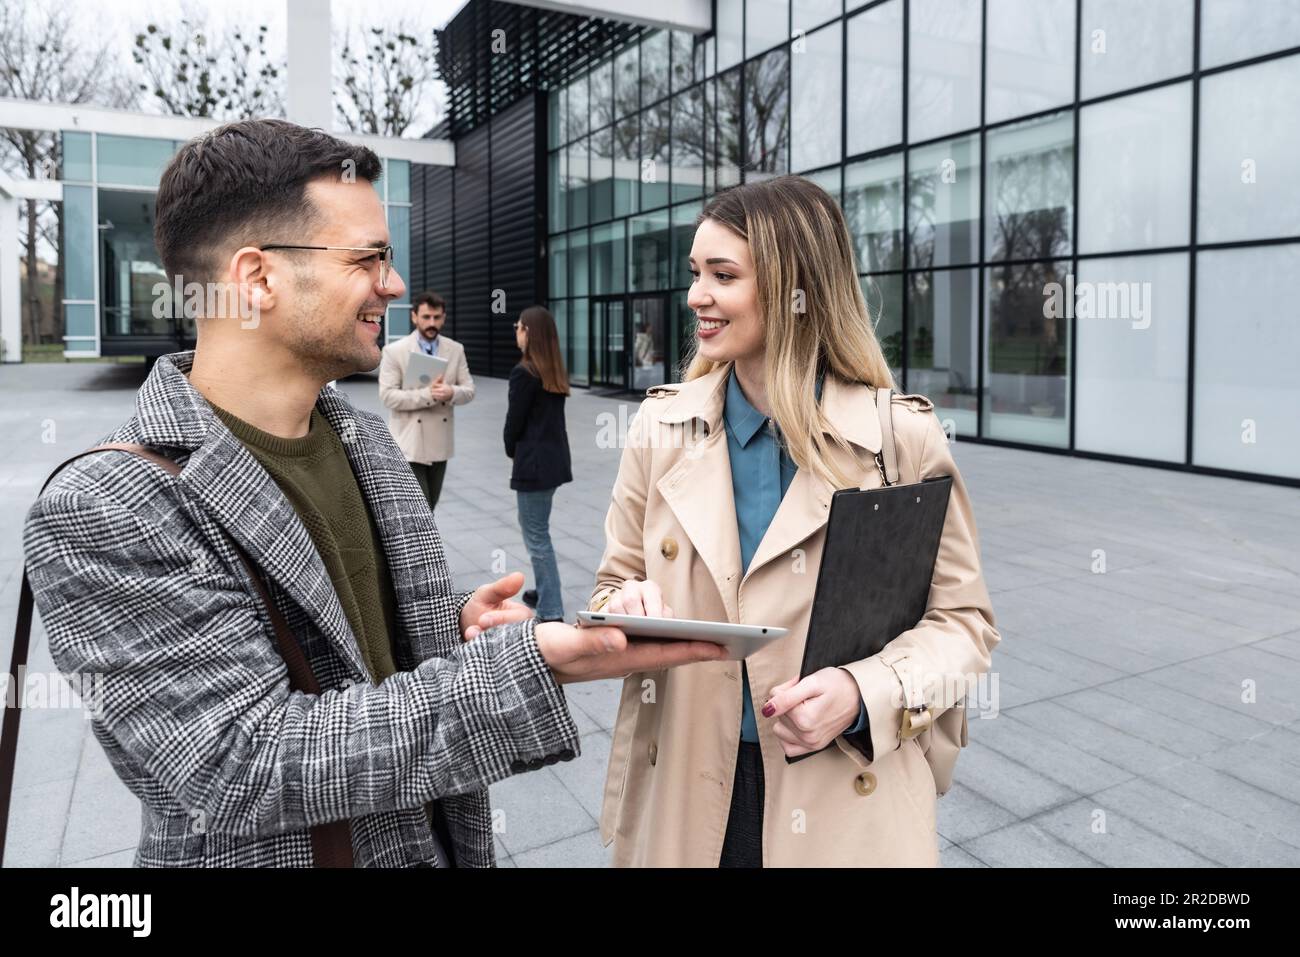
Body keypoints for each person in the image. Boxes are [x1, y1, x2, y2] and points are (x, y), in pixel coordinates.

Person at [20, 119, 724, 868]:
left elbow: (341, 652)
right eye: (369, 258)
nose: (393, 284)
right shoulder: (106, 504)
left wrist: (446, 631)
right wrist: (529, 665)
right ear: (257, 278)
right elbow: (242, 762)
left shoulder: (360, 438)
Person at [588, 175, 1001, 867]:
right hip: (688, 792)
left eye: (723, 275)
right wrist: (624, 606)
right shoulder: (661, 426)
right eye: (696, 273)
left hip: (843, 796)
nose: (695, 296)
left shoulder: (900, 439)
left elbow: (964, 624)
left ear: (795, 288)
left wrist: (862, 691)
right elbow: (612, 586)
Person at [503, 307, 573, 623]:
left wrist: (510, 449)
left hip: (533, 466)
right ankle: (543, 591)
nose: (516, 332)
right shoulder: (552, 370)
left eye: (518, 326)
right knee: (538, 531)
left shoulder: (524, 372)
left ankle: (551, 609)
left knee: (536, 536)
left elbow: (514, 422)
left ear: (528, 332)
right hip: (553, 464)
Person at [378, 291, 473, 511]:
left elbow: (469, 390)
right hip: (409, 443)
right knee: (420, 511)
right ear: (414, 317)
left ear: (444, 317)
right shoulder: (395, 351)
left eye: (437, 317)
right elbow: (388, 396)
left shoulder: (455, 349)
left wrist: (451, 392)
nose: (432, 323)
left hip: (440, 442)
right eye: (426, 317)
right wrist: (429, 395)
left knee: (431, 507)